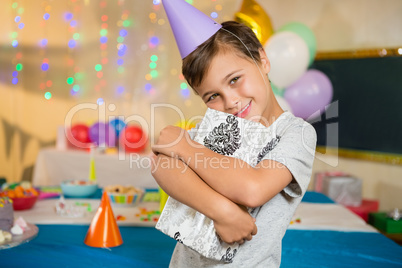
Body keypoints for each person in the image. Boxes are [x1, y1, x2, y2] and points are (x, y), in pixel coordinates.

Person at [151, 1, 317, 267]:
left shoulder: (296, 133)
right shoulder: (217, 127)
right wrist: (223, 211)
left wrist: (184, 147)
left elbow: (253, 189)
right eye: (213, 96)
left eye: (234, 79)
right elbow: (161, 164)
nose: (230, 102)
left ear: (262, 60)